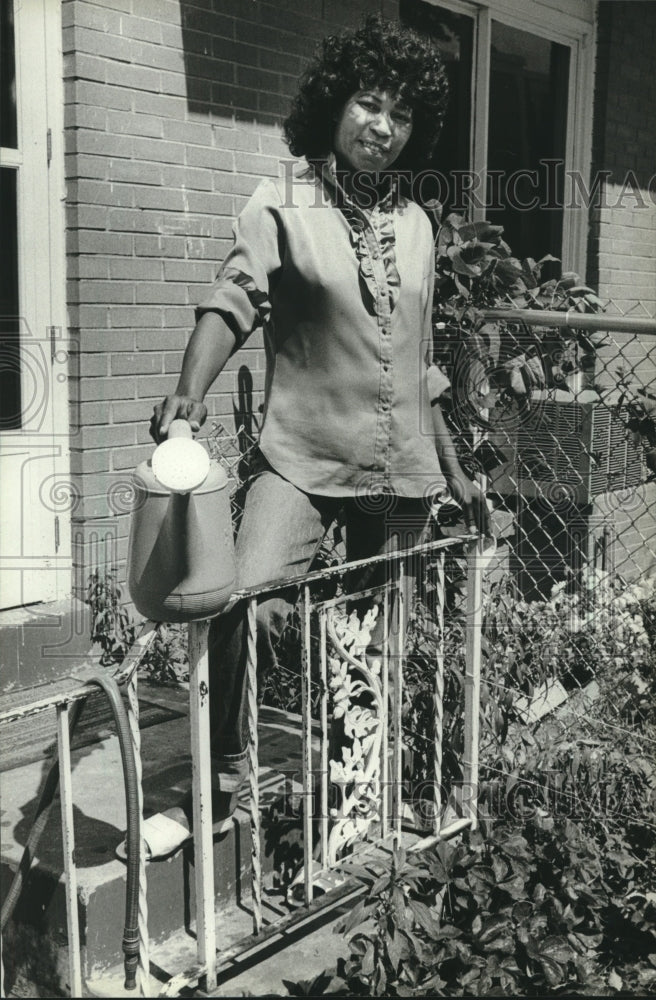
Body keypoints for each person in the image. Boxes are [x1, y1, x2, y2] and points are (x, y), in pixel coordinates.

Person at [136, 15, 490, 861]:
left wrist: (455, 467)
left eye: (401, 115)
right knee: (241, 600)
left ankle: (354, 792)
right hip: (298, 457)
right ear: (334, 105)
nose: (382, 127)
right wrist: (188, 393)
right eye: (368, 104)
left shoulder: (418, 225)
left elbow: (422, 364)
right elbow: (232, 301)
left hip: (400, 471)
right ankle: (217, 787)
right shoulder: (281, 205)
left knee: (371, 632)